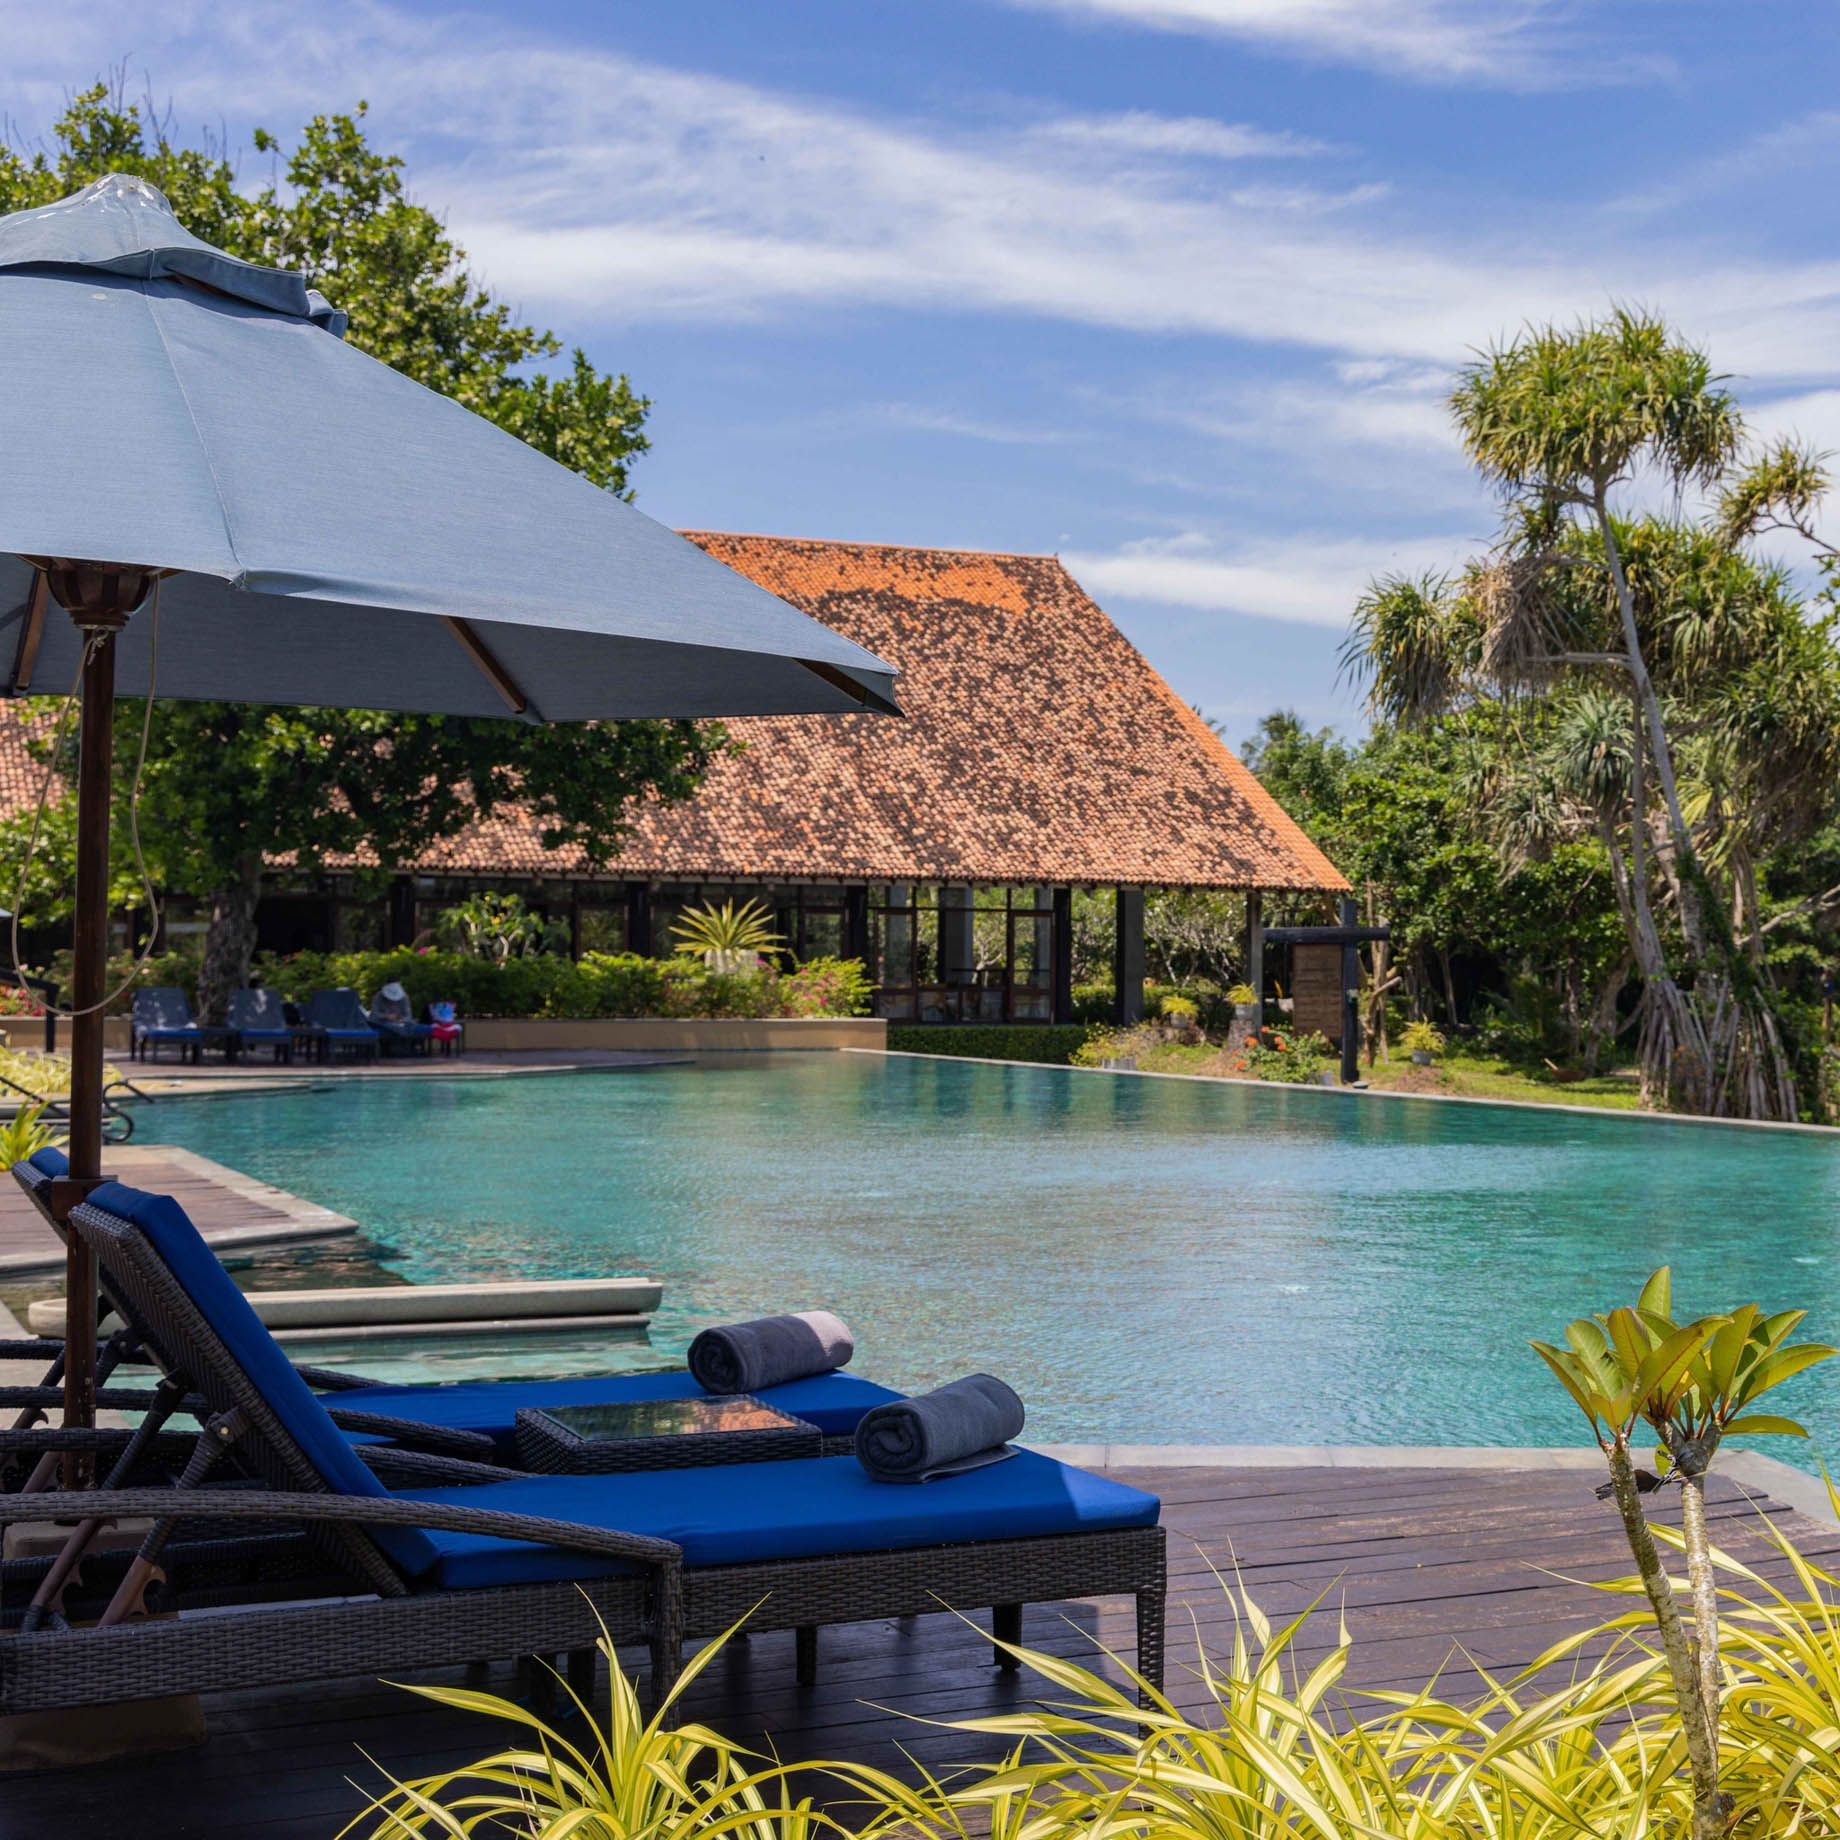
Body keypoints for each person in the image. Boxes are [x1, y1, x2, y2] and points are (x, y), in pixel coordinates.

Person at [369, 979, 419, 1050]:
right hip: (381, 1022)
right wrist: (386, 1016)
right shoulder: (377, 997)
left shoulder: (405, 997)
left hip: (400, 1022)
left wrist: (402, 1020)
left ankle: (405, 1048)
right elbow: (374, 1014)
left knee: (411, 1024)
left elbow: (408, 1015)